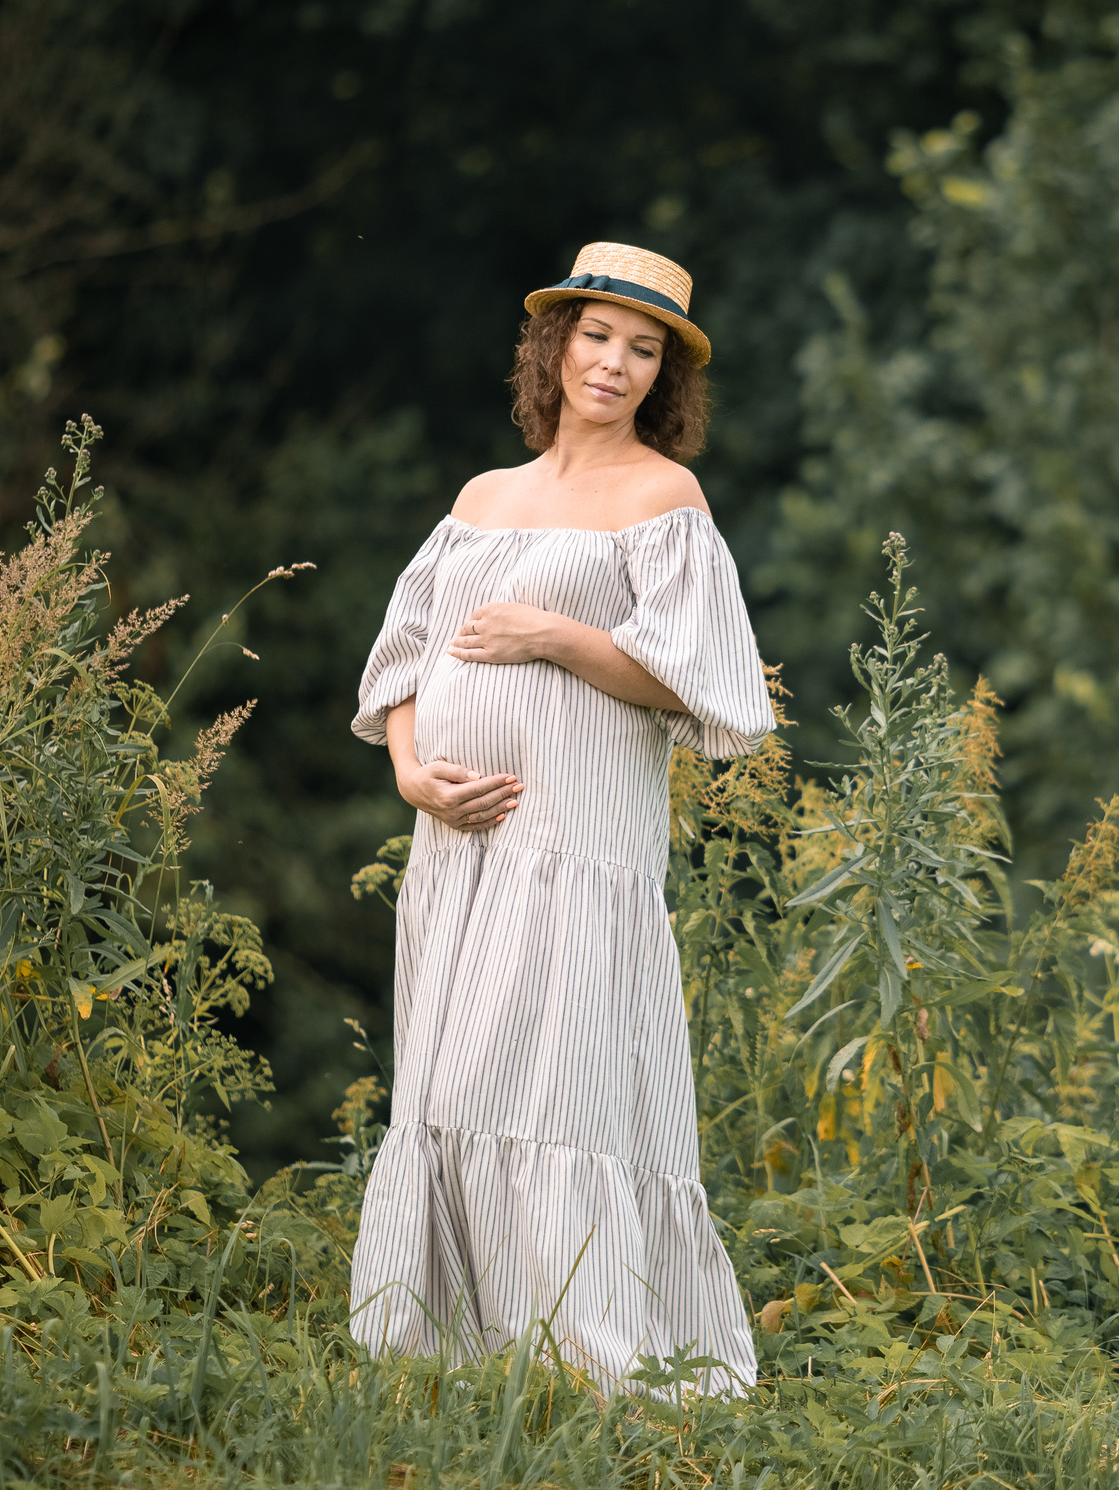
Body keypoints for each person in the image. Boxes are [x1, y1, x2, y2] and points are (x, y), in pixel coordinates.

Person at [346, 242, 770, 1397]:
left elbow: (707, 687)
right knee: (449, 1081)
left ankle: (580, 1346)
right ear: (556, 344)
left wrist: (557, 638)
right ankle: (444, 1339)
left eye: (643, 351)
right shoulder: (483, 499)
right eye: (599, 337)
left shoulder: (663, 499)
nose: (616, 364)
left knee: (554, 1080)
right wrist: (412, 775)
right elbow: (401, 669)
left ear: (662, 379)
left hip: (576, 845)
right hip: (461, 847)